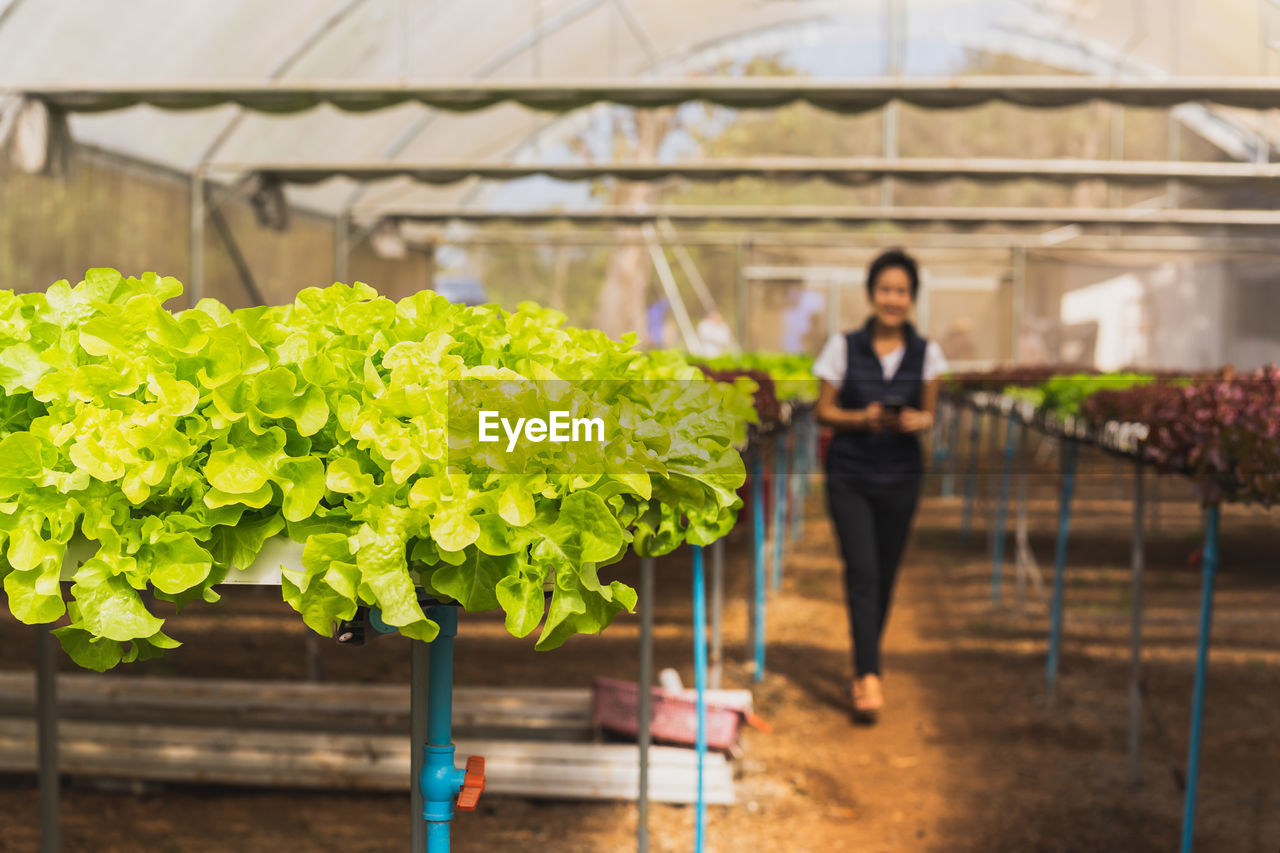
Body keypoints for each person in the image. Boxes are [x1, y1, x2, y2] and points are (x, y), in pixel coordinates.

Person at [812, 249, 949, 723]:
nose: (893, 299)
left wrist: (916, 420)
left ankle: (866, 659)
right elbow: (822, 411)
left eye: (902, 291)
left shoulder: (928, 353)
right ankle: (867, 673)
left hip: (902, 476)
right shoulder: (842, 346)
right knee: (862, 569)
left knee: (886, 573)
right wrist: (862, 418)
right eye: (886, 289)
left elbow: (930, 414)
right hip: (850, 473)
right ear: (872, 294)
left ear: (912, 298)